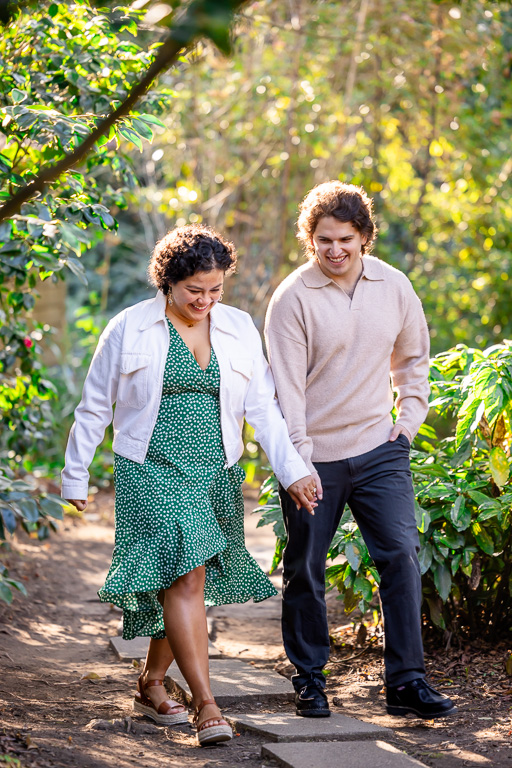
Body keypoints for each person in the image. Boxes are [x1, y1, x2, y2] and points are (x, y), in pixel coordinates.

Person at [62, 224, 317, 746]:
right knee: (188, 577)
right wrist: (75, 475)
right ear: (167, 283)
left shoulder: (239, 327)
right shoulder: (129, 328)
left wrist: (293, 470)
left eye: (215, 289)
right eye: (194, 291)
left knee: (183, 576)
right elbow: (93, 407)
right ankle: (206, 705)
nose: (205, 301)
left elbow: (262, 408)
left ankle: (153, 682)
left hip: (213, 470)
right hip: (150, 466)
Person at [264, 181, 455, 720]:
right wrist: (297, 460)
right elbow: (287, 390)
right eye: (323, 240)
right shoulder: (293, 298)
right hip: (313, 455)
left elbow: (413, 358)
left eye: (345, 239)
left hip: (379, 448)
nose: (334, 250)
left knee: (399, 556)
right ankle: (309, 679)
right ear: (310, 240)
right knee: (306, 566)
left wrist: (408, 422)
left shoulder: (393, 286)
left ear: (365, 237)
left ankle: (406, 683)